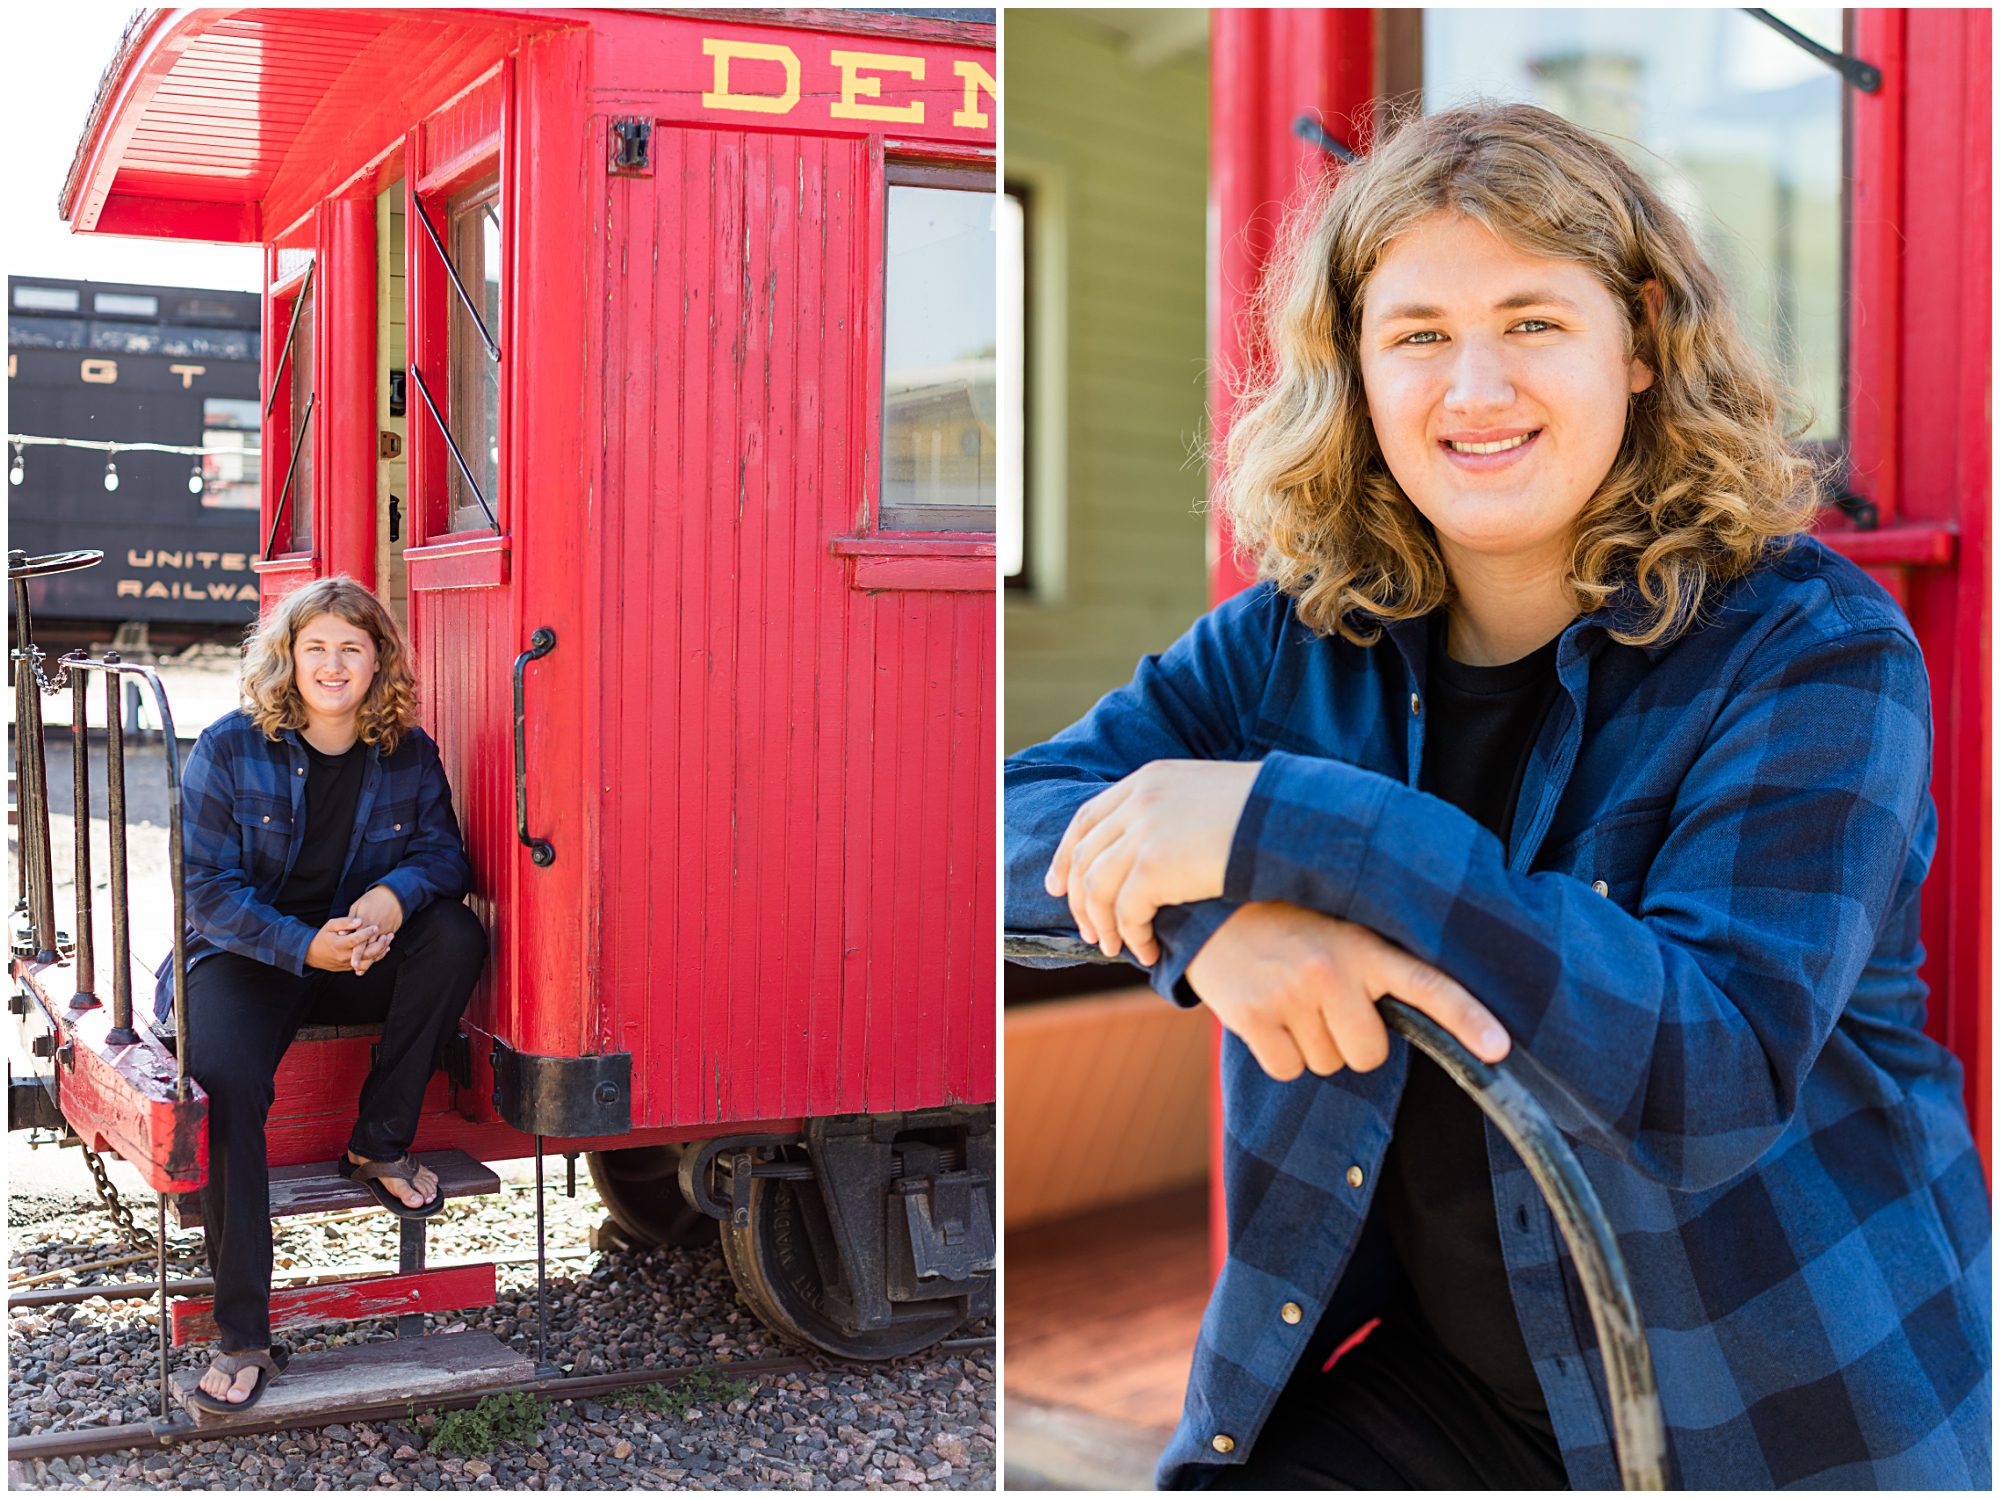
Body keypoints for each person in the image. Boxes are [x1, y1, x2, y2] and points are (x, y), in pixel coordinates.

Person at [1004, 102, 1989, 1489]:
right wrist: (1214, 929)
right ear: (1352, 362)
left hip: (1780, 1401)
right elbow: (999, 821)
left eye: (1533, 321)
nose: (1474, 389)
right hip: (1445, 1389)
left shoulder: (1811, 648)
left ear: (1640, 340)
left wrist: (1300, 826)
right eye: (1417, 333)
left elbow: (1705, 1073)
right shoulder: (1295, 637)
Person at [153, 576, 488, 1412]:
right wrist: (306, 944)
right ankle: (244, 1330)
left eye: (352, 647)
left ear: (378, 660)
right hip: (247, 953)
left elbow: (448, 856)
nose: (333, 664)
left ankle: (378, 1142)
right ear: (288, 659)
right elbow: (205, 891)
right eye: (317, 648)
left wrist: (390, 898)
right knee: (227, 1083)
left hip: (359, 947)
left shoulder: (405, 750)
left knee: (454, 933)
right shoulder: (230, 746)